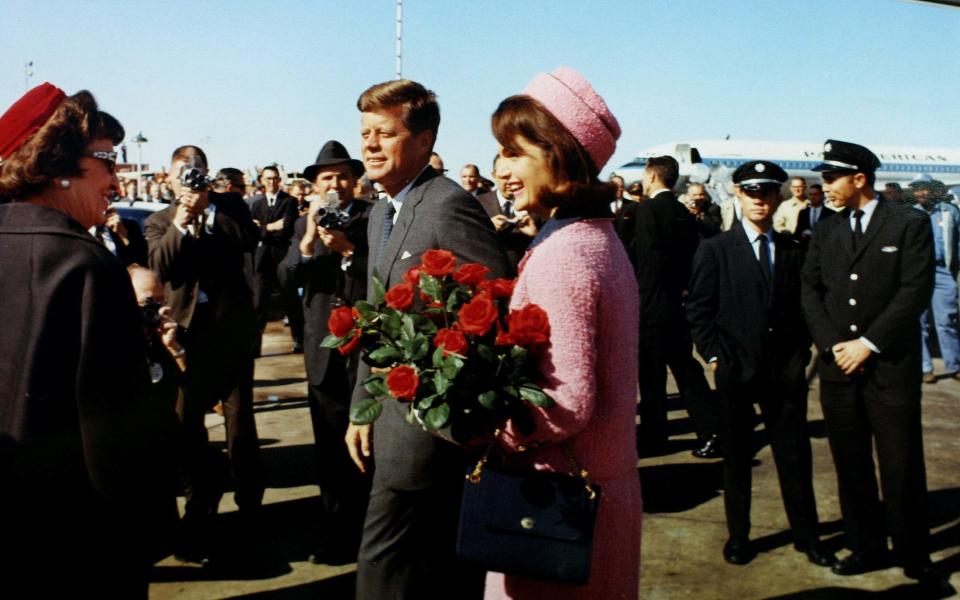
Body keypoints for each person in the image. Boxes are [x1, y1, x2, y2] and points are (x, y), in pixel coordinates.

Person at [0, 83, 177, 597]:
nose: (117, 182)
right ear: (59, 162)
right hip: (71, 538)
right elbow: (112, 431)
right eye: (108, 161)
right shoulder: (81, 262)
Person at [345, 79, 511, 600]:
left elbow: (493, 314)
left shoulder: (447, 206)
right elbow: (376, 324)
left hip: (431, 438)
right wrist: (360, 408)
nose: (369, 144)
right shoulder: (380, 213)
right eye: (365, 132)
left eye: (385, 133)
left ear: (424, 141)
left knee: (384, 570)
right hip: (391, 426)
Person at [486, 65, 641, 600]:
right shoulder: (596, 236)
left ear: (559, 155)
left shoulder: (565, 254)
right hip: (600, 487)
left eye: (514, 153)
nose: (500, 170)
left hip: (557, 503)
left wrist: (491, 435)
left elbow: (567, 401)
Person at [801, 140, 945, 589]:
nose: (823, 186)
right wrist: (833, 345)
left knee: (901, 462)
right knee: (851, 462)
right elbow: (811, 291)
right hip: (838, 367)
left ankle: (913, 554)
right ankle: (865, 545)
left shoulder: (907, 222)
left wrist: (867, 343)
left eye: (830, 178)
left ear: (859, 179)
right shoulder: (827, 227)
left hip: (888, 366)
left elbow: (914, 291)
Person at [686, 161, 834, 568]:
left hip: (783, 374)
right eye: (751, 192)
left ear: (778, 197)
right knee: (736, 460)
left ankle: (807, 536)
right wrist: (715, 357)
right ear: (738, 194)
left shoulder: (792, 250)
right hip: (736, 371)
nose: (759, 200)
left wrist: (800, 357)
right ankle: (739, 536)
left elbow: (806, 309)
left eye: (767, 193)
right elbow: (699, 310)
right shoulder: (715, 249)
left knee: (795, 457)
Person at [145, 145, 264, 563]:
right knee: (186, 424)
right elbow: (160, 266)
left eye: (196, 173)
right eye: (183, 174)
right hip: (185, 340)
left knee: (240, 425)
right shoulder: (159, 220)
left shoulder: (229, 205)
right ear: (171, 177)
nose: (190, 181)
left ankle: (250, 506)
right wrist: (183, 218)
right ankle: (199, 506)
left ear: (208, 174)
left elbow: (250, 239)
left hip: (230, 332)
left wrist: (211, 209)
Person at [280, 140, 372, 565]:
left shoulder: (374, 219)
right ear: (314, 186)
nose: (334, 184)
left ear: (354, 181)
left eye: (341, 176)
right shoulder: (304, 224)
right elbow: (285, 276)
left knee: (366, 444)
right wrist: (310, 239)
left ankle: (369, 533)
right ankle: (336, 532)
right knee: (329, 449)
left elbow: (377, 279)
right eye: (326, 178)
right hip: (322, 348)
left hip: (361, 347)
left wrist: (347, 251)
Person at [634, 155, 721, 458]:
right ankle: (711, 431)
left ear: (653, 176)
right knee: (686, 369)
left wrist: (640, 302)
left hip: (652, 305)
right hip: (677, 303)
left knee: (652, 377)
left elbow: (647, 261)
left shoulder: (647, 210)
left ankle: (656, 437)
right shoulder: (683, 212)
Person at [249, 164, 302, 353]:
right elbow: (252, 232)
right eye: (267, 179)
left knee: (290, 299)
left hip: (283, 256)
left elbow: (287, 228)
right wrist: (270, 227)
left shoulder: (289, 202)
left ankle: (299, 340)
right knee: (258, 303)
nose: (271, 182)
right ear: (262, 181)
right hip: (263, 259)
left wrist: (262, 228)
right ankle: (255, 346)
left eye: (274, 178)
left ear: (279, 180)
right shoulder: (256, 204)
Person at [912, 177, 960, 383]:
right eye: (917, 190)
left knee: (947, 320)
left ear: (933, 190)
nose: (921, 193)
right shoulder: (910, 214)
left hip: (943, 272)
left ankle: (955, 365)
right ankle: (925, 368)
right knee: (918, 321)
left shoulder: (949, 212)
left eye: (925, 189)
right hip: (917, 273)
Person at [477, 153, 539, 269]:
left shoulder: (535, 204)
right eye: (505, 177)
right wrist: (488, 228)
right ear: (494, 175)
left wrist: (535, 235)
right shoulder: (478, 204)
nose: (512, 181)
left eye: (516, 175)